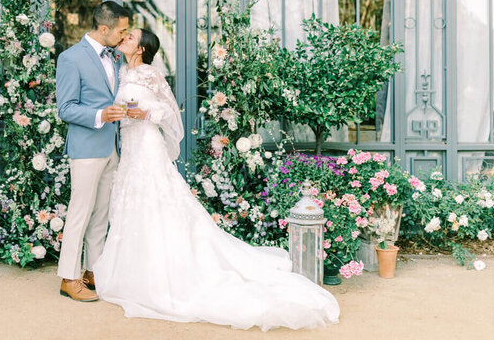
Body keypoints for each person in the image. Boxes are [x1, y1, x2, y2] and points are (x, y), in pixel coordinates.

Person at [91, 28, 341, 331]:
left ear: (141, 48)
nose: (125, 37)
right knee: (132, 205)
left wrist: (143, 113)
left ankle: (168, 270)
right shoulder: (119, 72)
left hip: (147, 147)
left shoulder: (150, 74)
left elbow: (167, 112)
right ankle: (133, 269)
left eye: (131, 36)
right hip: (129, 150)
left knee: (156, 201)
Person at [55, 1, 130, 301]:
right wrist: (101, 116)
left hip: (111, 148)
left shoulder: (114, 58)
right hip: (86, 149)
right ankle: (68, 278)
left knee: (100, 215)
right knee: (80, 213)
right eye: (121, 30)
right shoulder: (70, 58)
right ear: (104, 29)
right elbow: (66, 108)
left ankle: (92, 271)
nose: (124, 36)